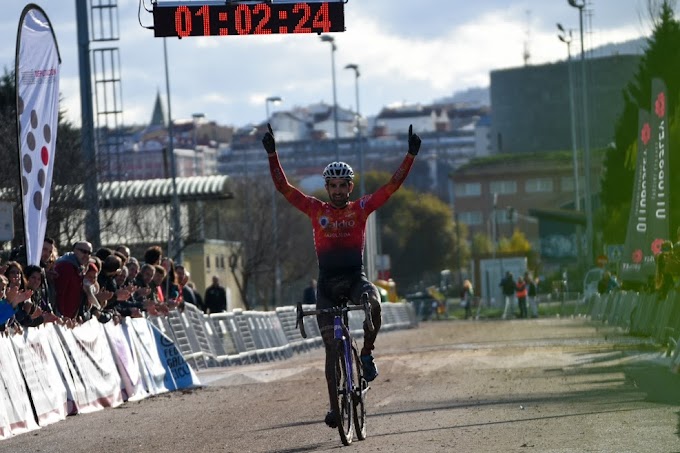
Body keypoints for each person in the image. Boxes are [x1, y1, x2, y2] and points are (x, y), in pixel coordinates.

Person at [262, 122, 421, 428]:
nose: (336, 191)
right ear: (327, 187)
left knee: (373, 302)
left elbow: (390, 188)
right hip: (326, 285)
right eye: (332, 185)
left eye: (342, 185)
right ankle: (336, 404)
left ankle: (366, 354)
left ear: (350, 187)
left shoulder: (360, 209)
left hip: (354, 278)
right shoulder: (313, 209)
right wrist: (272, 153)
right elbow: (284, 188)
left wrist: (410, 156)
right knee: (331, 348)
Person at [53, 241, 93, 319]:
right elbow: (59, 293)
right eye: (84, 251)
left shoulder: (79, 268)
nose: (87, 255)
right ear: (74, 250)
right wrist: (61, 316)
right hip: (61, 320)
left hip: (70, 319)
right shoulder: (65, 266)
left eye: (89, 253)